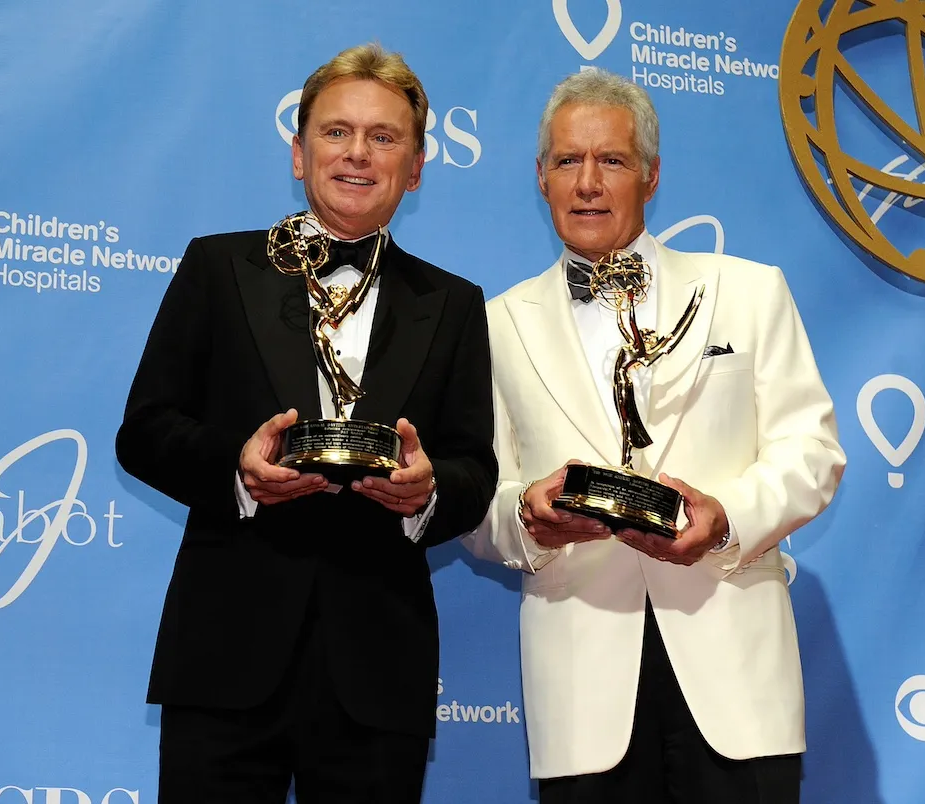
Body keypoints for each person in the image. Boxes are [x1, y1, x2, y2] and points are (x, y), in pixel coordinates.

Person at [116, 43, 497, 804]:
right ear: (298, 152)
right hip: (224, 656)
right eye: (336, 132)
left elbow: (473, 467)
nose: (358, 153)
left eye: (385, 137)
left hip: (377, 667)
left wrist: (426, 493)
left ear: (416, 168)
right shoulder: (217, 269)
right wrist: (237, 467)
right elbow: (146, 429)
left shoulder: (453, 303)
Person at [463, 69, 846, 804]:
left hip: (738, 679)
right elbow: (480, 502)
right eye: (568, 161)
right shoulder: (495, 324)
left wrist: (725, 516)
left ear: (652, 175)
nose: (588, 183)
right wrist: (530, 518)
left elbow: (814, 451)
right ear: (540, 178)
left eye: (612, 160)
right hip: (581, 692)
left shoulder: (750, 290)